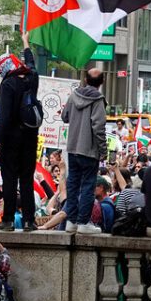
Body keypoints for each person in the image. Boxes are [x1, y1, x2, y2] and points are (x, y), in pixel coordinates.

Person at [0, 33, 40, 232]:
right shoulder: (31, 77)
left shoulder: (8, 85)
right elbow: (32, 64)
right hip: (30, 137)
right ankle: (30, 220)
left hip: (11, 139)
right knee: (27, 178)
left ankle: (9, 219)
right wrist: (25, 43)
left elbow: (3, 117)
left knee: (10, 178)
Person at [61, 68, 107, 235]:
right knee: (88, 186)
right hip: (89, 150)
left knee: (72, 184)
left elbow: (64, 116)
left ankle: (71, 221)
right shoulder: (98, 100)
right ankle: (82, 222)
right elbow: (99, 127)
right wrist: (104, 150)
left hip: (73, 148)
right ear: (102, 82)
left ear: (86, 80)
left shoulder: (73, 96)